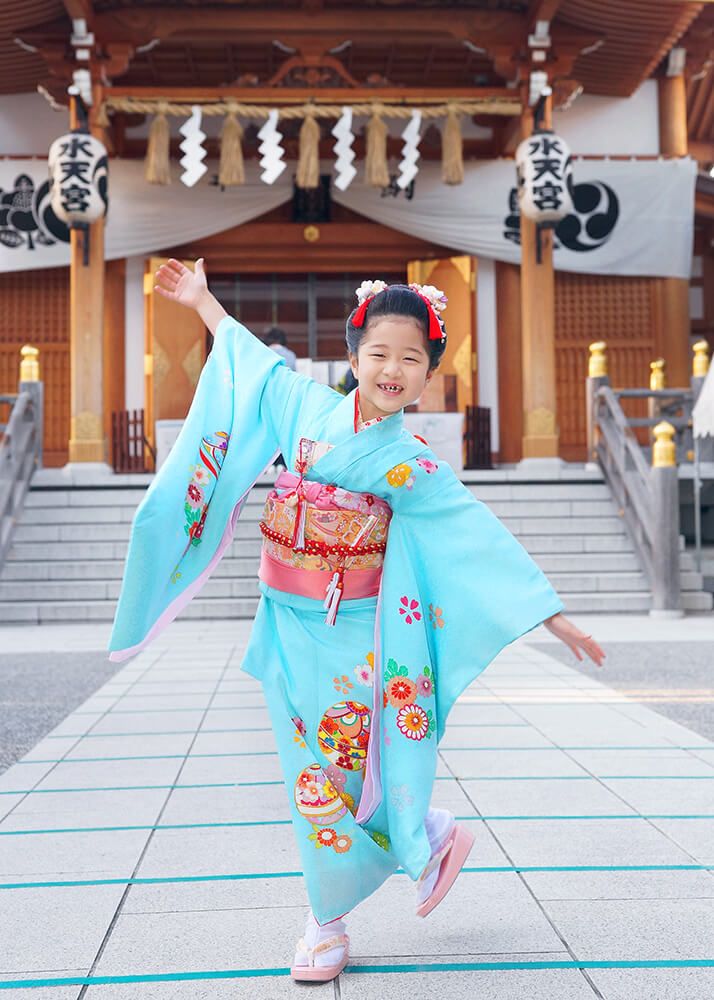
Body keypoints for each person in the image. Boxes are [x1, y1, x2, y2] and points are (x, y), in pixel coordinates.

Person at [108, 259, 605, 984]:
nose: (392, 369)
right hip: (283, 617)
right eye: (378, 353)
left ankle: (327, 917)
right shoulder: (304, 408)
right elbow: (248, 364)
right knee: (301, 768)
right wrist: (202, 301)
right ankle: (424, 836)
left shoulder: (409, 462)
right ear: (352, 357)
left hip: (353, 634)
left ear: (429, 372)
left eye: (410, 357)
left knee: (330, 773)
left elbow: (476, 534)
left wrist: (550, 614)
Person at [262, 327, 296, 470]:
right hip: (286, 399)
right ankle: (282, 463)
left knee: (268, 432)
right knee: (285, 431)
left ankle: (268, 464)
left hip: (268, 399)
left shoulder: (264, 354)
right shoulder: (290, 355)